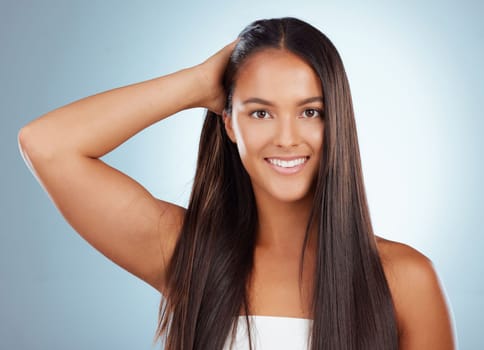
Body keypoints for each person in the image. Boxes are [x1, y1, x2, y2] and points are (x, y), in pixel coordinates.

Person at [18, 17, 455, 350]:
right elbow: (47, 145)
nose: (286, 138)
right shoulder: (186, 255)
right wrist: (196, 84)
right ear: (228, 123)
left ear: (336, 120)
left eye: (310, 112)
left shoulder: (404, 280)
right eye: (260, 112)